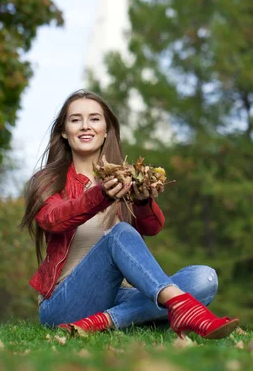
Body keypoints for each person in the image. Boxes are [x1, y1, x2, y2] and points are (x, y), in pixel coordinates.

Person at [20, 89, 239, 339]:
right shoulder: (47, 179)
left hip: (116, 295)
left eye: (94, 118)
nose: (85, 126)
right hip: (64, 302)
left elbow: (152, 228)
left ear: (106, 129)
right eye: (75, 119)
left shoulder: (123, 178)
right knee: (119, 233)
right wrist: (99, 195)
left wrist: (143, 201)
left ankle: (104, 321)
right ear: (63, 131)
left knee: (204, 278)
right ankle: (179, 309)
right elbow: (53, 219)